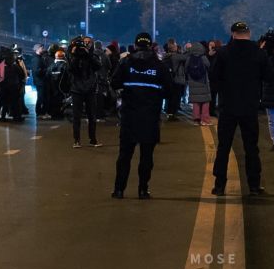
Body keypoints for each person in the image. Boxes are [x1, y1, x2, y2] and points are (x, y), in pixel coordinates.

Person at [110, 32, 171, 199]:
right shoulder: (159, 65)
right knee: (146, 156)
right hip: (150, 116)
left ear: (135, 45)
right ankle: (143, 190)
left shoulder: (126, 63)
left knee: (124, 155)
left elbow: (114, 82)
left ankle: (119, 189)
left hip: (129, 115)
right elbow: (169, 88)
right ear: (151, 46)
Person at [211, 21, 269, 196]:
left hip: (228, 106)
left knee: (224, 147)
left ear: (233, 33)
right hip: (249, 106)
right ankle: (254, 185)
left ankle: (219, 185)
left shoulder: (223, 53)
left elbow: (214, 79)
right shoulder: (259, 53)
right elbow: (269, 76)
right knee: (251, 147)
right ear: (249, 33)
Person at [67, 35, 102, 148]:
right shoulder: (74, 54)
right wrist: (74, 54)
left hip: (90, 89)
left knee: (92, 116)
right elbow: (71, 69)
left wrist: (88, 54)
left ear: (92, 44)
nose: (86, 44)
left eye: (88, 42)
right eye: (84, 42)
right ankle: (76, 140)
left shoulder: (93, 55)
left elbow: (98, 66)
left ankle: (93, 139)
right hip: (76, 89)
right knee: (76, 116)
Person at [186, 42, 212, 125]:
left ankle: (196, 119)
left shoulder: (189, 58)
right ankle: (205, 120)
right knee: (205, 101)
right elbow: (208, 65)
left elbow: (186, 68)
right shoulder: (203, 57)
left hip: (193, 82)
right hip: (203, 82)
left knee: (196, 102)